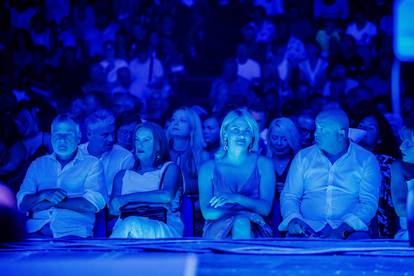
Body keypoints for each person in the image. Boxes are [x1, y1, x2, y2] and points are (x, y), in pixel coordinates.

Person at [280, 109, 380, 239]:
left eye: (322, 130)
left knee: (358, 244)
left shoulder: (366, 159)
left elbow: (368, 203)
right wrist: (294, 219)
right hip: (307, 228)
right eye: (316, 128)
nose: (316, 134)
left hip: (350, 231)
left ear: (341, 134)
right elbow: (290, 196)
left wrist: (343, 229)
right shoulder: (303, 157)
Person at [16, 114, 107, 238]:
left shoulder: (93, 164)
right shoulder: (38, 164)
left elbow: (92, 204)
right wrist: (43, 194)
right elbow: (22, 204)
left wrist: (46, 203)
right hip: (35, 233)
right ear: (51, 136)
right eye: (57, 134)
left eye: (68, 134)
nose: (62, 139)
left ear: (79, 137)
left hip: (73, 234)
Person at [199, 109, 275, 239]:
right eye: (235, 130)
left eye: (247, 131)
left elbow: (265, 208)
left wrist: (236, 198)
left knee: (242, 223)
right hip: (217, 228)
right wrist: (244, 214)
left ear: (253, 136)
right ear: (225, 133)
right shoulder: (208, 168)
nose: (241, 135)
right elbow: (207, 212)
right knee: (241, 221)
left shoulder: (264, 164)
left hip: (256, 227)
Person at [109, 122, 183, 238]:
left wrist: (127, 199)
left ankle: (110, 255)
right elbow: (113, 210)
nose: (140, 145)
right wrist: (147, 201)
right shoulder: (122, 176)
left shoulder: (169, 168)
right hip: (126, 229)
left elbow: (166, 195)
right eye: (137, 140)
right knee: (130, 224)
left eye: (146, 140)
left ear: (158, 145)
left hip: (162, 227)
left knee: (132, 223)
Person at [357, 109, 400, 238]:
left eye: (370, 128)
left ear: (380, 138)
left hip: (377, 231)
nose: (364, 131)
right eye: (361, 127)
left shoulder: (387, 164)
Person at [79, 109, 134, 197]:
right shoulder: (76, 154)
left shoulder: (125, 157)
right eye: (105, 135)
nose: (111, 139)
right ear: (89, 134)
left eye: (112, 134)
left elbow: (127, 194)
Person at [266, 118, 301, 234]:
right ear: (269, 138)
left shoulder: (300, 161)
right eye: (275, 138)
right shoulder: (263, 161)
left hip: (295, 215)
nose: (279, 143)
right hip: (267, 215)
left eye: (284, 139)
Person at [391, 122, 414, 240]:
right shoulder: (398, 167)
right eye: (402, 141)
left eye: (408, 144)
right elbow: (400, 206)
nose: (401, 147)